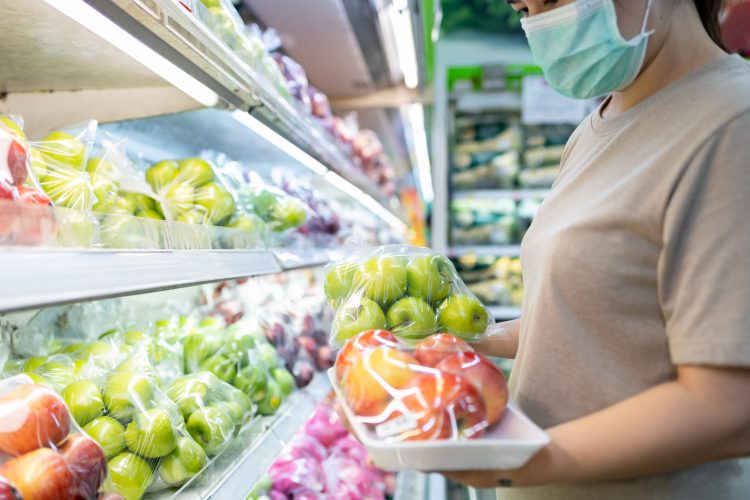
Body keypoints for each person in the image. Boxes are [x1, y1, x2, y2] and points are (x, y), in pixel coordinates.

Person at [440, 0, 750, 498]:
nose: (542, 25)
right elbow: (595, 321)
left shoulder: (731, 123)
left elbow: (729, 405)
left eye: (556, 0)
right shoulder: (592, 129)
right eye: (524, 8)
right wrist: (466, 338)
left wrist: (515, 459)